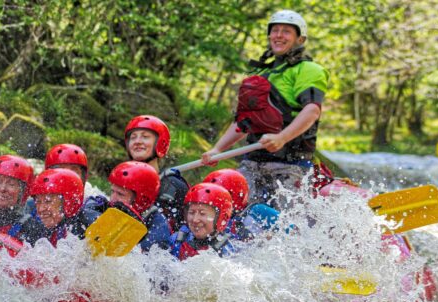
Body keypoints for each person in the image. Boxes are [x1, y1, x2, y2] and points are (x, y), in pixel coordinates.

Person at [202, 10, 329, 210]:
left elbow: (312, 110)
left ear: (300, 38)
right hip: (252, 162)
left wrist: (282, 138)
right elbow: (243, 123)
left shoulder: (309, 70)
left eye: (286, 31)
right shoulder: (261, 73)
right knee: (237, 215)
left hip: (291, 164)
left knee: (277, 224)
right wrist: (217, 150)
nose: (279, 35)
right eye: (275, 30)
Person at [84, 161, 172, 252]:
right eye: (112, 191)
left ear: (142, 200)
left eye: (120, 194)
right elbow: (87, 210)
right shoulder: (105, 205)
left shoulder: (159, 227)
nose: (113, 199)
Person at [124, 115, 189, 231]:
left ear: (160, 143)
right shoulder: (122, 179)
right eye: (133, 137)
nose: (137, 141)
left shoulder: (175, 186)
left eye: (145, 137)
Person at [18, 168, 99, 247]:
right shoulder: (43, 229)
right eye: (38, 201)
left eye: (48, 201)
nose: (41, 209)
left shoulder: (87, 226)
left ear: (69, 202)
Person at [202, 169, 280, 240]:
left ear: (236, 195)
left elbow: (290, 231)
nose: (211, 203)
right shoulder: (213, 224)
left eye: (217, 198)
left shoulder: (258, 211)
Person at [168, 183, 234, 261]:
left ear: (222, 218)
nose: (195, 220)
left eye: (202, 214)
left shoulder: (228, 251)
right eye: (191, 212)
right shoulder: (177, 241)